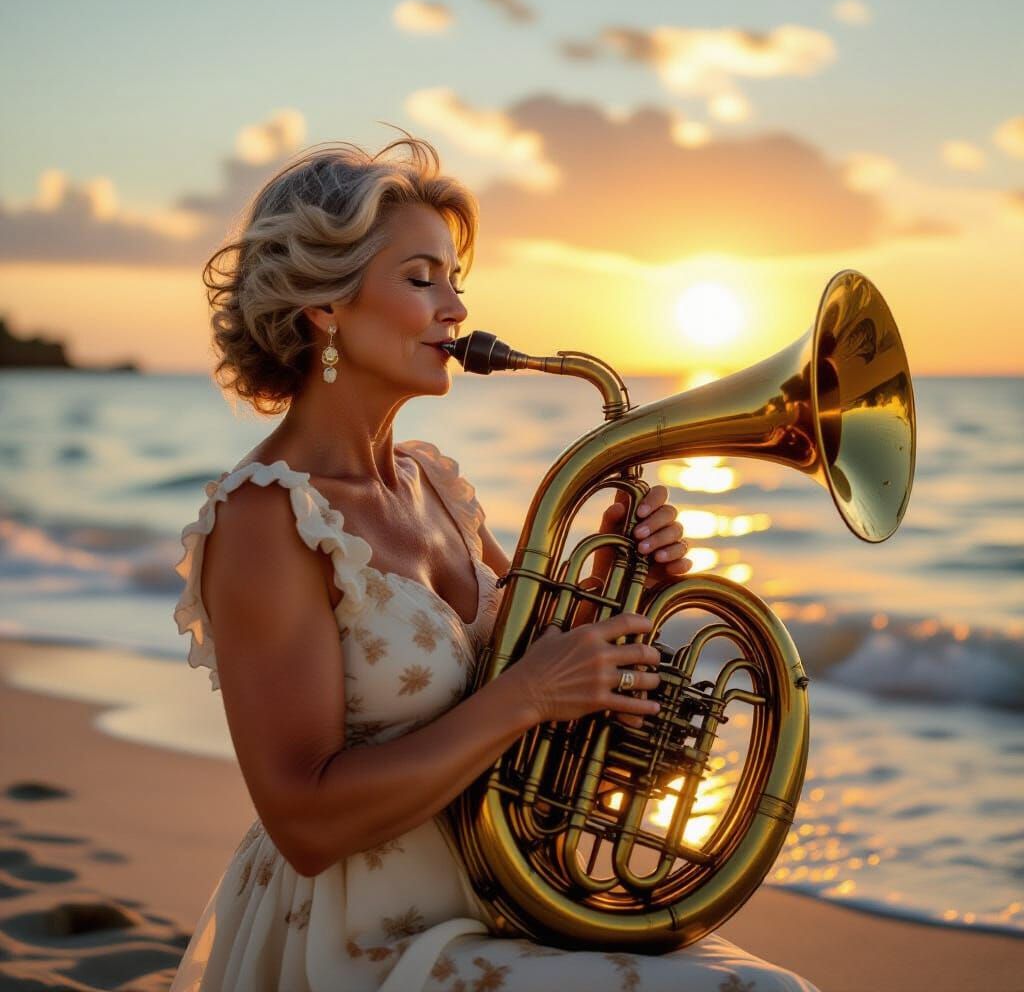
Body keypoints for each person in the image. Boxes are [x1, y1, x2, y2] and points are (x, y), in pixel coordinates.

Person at [169, 135, 821, 992]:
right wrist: (532, 694)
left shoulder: (436, 485)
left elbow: (540, 706)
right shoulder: (264, 520)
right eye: (420, 278)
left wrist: (616, 603)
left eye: (454, 281)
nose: (455, 311)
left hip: (505, 910)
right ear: (325, 305)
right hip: (366, 940)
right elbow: (306, 821)